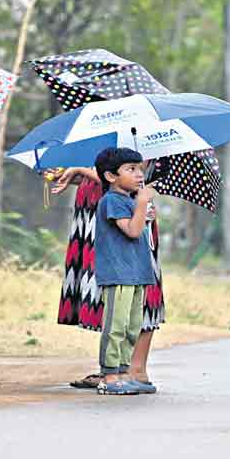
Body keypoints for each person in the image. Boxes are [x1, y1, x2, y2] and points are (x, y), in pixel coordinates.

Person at [49, 164, 166, 391]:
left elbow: (131, 174)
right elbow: (109, 175)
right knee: (116, 304)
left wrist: (82, 170)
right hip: (101, 214)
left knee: (134, 298)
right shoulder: (109, 157)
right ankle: (117, 370)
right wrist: (74, 174)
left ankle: (132, 368)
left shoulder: (134, 143)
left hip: (129, 217)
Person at [91, 147, 157, 396]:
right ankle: (109, 375)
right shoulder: (111, 201)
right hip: (119, 274)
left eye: (140, 169)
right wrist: (141, 204)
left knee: (132, 326)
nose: (140, 174)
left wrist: (145, 210)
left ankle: (124, 372)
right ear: (110, 177)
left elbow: (140, 227)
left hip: (137, 272)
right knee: (116, 325)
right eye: (131, 169)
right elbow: (131, 230)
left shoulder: (129, 200)